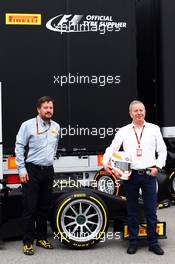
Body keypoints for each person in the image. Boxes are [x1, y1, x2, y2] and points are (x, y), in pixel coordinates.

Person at [103, 100, 167, 255]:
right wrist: (106, 163)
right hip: (130, 176)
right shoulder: (124, 131)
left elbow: (163, 150)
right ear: (130, 113)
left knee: (151, 210)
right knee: (131, 211)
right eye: (136, 111)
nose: (139, 113)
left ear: (145, 112)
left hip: (148, 175)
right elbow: (112, 148)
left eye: (142, 110)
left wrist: (157, 167)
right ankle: (133, 242)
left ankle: (153, 242)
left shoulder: (154, 129)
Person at [15, 96, 60, 255]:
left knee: (44, 207)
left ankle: (41, 238)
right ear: (38, 109)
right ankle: (28, 242)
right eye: (46, 108)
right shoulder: (27, 125)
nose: (49, 110)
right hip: (31, 170)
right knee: (30, 207)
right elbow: (19, 146)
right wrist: (21, 169)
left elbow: (54, 147)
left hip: (48, 170)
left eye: (51, 108)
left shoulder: (56, 126)